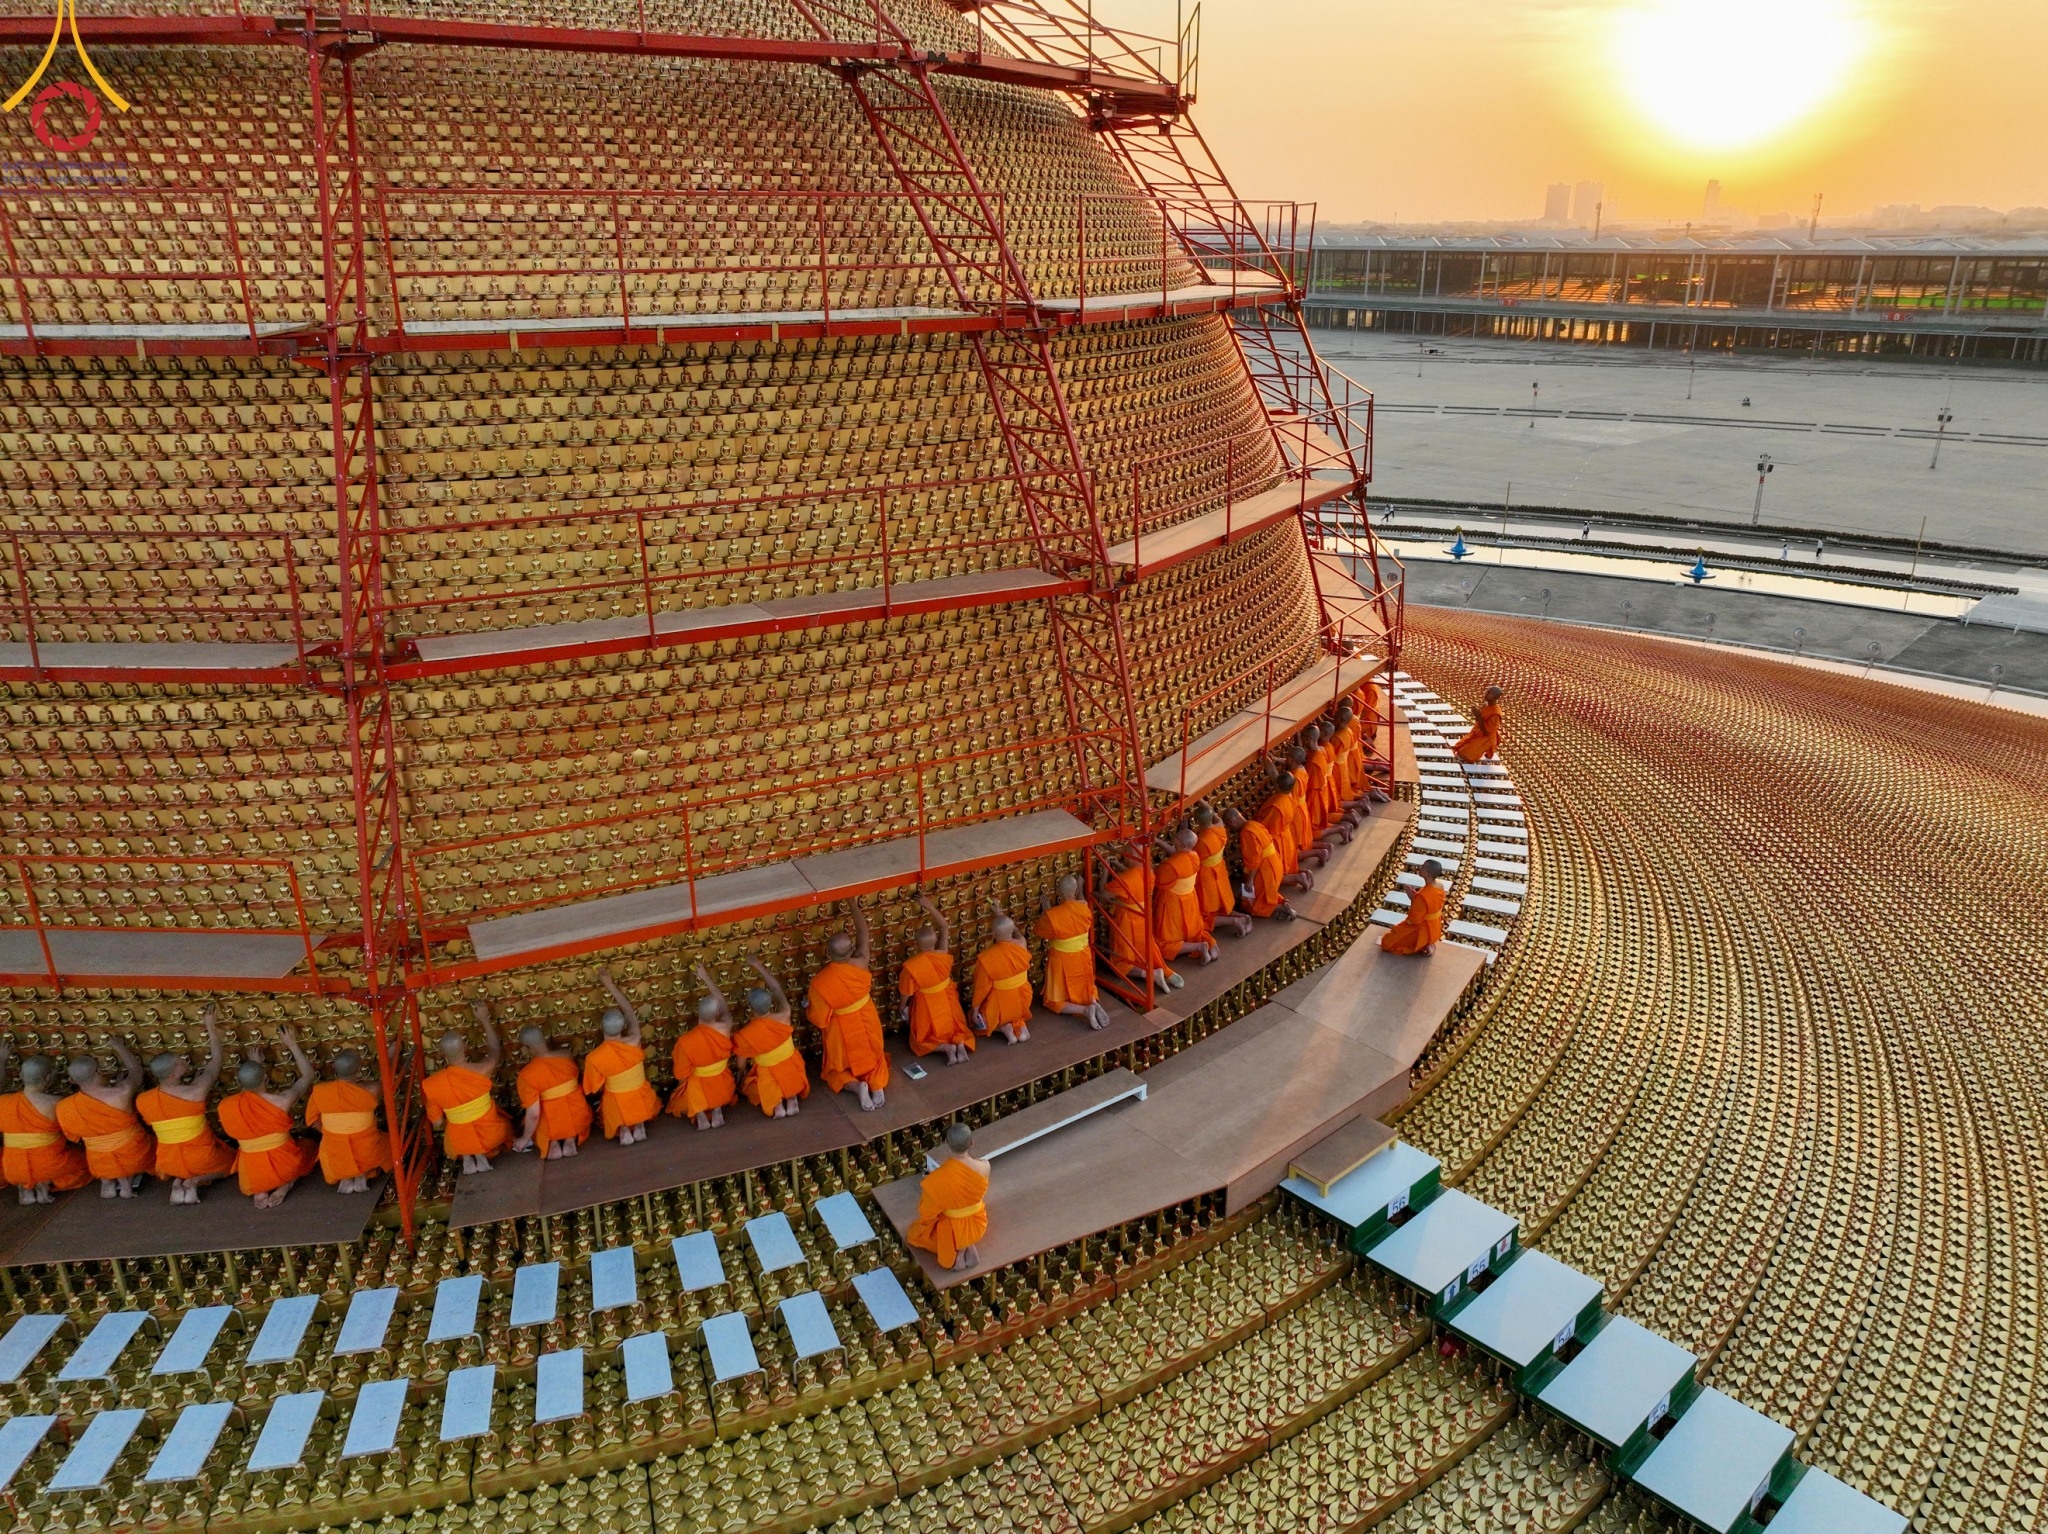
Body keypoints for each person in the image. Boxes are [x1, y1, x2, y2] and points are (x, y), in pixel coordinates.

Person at [135, 1004, 235, 1205]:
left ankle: (178, 1180)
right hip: (202, 1157)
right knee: (232, 1163)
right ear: (173, 1074)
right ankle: (195, 1181)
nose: (185, 1063)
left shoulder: (143, 1100)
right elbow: (216, 1061)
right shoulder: (195, 1091)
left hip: (167, 1162)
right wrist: (210, 1026)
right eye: (181, 1063)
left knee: (180, 1161)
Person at [216, 1027, 319, 1209]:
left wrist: (255, 1064)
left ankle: (260, 1189)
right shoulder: (281, 1101)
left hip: (252, 1171)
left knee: (251, 1157)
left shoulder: (226, 1105)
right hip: (285, 1164)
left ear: (239, 1082)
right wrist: (292, 1044)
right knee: (308, 1146)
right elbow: (308, 1075)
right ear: (265, 1077)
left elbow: (247, 1092)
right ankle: (285, 1184)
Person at [810, 901, 890, 1111]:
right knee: (874, 1056)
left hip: (839, 1028)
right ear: (852, 949)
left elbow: (818, 1018)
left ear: (828, 954)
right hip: (866, 1016)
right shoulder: (861, 961)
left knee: (835, 1071)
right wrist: (852, 902)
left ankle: (857, 1087)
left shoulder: (820, 982)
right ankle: (876, 1084)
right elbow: (863, 930)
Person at [54, 1036, 150, 1199]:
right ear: (99, 1071)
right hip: (133, 1154)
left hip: (97, 1161)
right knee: (144, 1145)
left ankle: (107, 1183)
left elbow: (73, 1136)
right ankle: (126, 1184)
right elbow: (136, 1072)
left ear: (71, 1080)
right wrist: (118, 1046)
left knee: (102, 1151)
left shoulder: (64, 1106)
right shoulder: (120, 1092)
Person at [424, 1004, 511, 1174]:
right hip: (491, 1135)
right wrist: (485, 1019)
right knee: (505, 1126)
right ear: (466, 1048)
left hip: (456, 1144)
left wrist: (459, 1114)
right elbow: (495, 1050)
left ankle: (468, 1157)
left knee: (458, 1130)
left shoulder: (432, 1085)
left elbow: (437, 1122)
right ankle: (480, 1154)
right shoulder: (483, 1070)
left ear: (442, 1054)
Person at [0, 1044, 88, 1204]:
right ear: (48, 1078)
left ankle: (27, 1186)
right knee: (90, 1163)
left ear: (20, 1075)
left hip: (12, 1170)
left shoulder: (3, 1102)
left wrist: (2, 1059)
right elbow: (75, 1135)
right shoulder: (56, 1103)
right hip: (50, 1167)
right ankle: (45, 1183)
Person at [583, 968, 661, 1146]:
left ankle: (624, 1127)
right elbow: (629, 1011)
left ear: (601, 1028)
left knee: (610, 1097)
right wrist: (610, 985)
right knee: (637, 1091)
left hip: (617, 1102)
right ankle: (639, 1123)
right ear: (624, 1025)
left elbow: (593, 1087)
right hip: (642, 1099)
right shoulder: (635, 1039)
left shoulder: (595, 1057)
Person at [305, 1047, 393, 1193]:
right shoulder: (371, 1089)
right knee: (388, 1142)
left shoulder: (320, 1091)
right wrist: (389, 1057)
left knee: (331, 1145)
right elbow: (386, 1077)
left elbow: (313, 1119)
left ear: (333, 1068)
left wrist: (328, 1134)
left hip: (334, 1155)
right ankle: (362, 1175)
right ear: (359, 1070)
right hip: (367, 1153)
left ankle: (345, 1176)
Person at [900, 894, 975, 1064]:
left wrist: (902, 1007)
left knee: (920, 1041)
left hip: (926, 1005)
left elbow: (905, 993)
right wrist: (929, 906)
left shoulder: (912, 966)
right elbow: (944, 926)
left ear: (917, 945)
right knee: (956, 1028)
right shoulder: (943, 955)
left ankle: (946, 1048)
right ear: (935, 940)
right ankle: (960, 1043)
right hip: (948, 999)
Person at [905, 1122, 989, 1273]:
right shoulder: (985, 1166)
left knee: (915, 1233)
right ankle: (968, 1245)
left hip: (952, 1229)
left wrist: (929, 1182)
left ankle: (960, 1252)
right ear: (972, 1143)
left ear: (946, 1143)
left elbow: (926, 1211)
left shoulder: (938, 1176)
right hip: (978, 1222)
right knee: (962, 1212)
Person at [735, 956, 809, 1118]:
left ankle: (777, 1106)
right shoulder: (785, 1014)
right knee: (787, 1075)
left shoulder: (745, 1034)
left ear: (750, 1008)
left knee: (749, 1087)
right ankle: (792, 1097)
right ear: (771, 1003)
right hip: (792, 1066)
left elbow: (741, 1063)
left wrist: (742, 1072)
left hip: (768, 1073)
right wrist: (758, 966)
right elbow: (776, 988)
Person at [508, 1011, 590, 1159]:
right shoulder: (566, 1055)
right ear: (545, 1040)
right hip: (578, 1115)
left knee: (541, 1119)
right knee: (568, 1112)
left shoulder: (527, 1075)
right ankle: (570, 1139)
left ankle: (553, 1144)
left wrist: (524, 1139)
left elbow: (533, 1114)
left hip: (552, 1123)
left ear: (526, 1048)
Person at [668, 963, 737, 1130]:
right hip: (723, 1083)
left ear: (698, 1014)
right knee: (716, 1086)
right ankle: (717, 1109)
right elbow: (723, 1004)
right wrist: (705, 976)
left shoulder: (686, 1041)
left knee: (684, 1093)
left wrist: (680, 1087)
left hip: (699, 1086)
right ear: (717, 1014)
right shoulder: (726, 1025)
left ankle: (699, 1112)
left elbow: (681, 1074)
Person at [1034, 876, 1108, 1030]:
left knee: (1052, 1001)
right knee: (1086, 986)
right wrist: (1080, 886)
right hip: (1083, 956)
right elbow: (1081, 902)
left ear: (1058, 893)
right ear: (1074, 891)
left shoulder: (1052, 915)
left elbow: (1039, 931)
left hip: (1062, 960)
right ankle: (1093, 1002)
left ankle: (1085, 1010)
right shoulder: (1084, 908)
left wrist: (1046, 910)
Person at [1100, 845, 1177, 993]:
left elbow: (1104, 893)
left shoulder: (1127, 878)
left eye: (1126, 854)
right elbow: (1134, 878)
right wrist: (1117, 865)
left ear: (1131, 855)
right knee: (1143, 951)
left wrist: (1105, 870)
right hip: (1142, 918)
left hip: (1126, 921)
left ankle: (1151, 974)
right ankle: (1162, 972)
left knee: (1121, 962)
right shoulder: (1149, 872)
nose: (1124, 857)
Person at [970, 901, 1034, 1045]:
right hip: (1024, 1000)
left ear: (993, 934)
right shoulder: (1021, 943)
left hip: (1000, 1003)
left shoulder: (987, 957)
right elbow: (1016, 932)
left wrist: (975, 1010)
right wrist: (999, 912)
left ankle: (1005, 1028)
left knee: (977, 1022)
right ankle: (1020, 1026)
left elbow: (981, 988)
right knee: (1015, 1014)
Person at [1153, 826, 1217, 967]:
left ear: (1180, 844)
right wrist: (1158, 841)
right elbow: (1177, 856)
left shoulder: (1169, 866)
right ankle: (1211, 947)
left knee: (1164, 942)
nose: (1173, 838)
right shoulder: (1194, 856)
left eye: (1175, 838)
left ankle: (1198, 947)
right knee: (1193, 932)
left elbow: (1157, 881)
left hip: (1172, 903)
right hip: (1189, 900)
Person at [1225, 805, 1298, 921]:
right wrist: (1228, 859)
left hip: (1265, 869)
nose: (1231, 829)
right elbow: (1247, 850)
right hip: (1274, 861)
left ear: (1231, 821)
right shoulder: (1254, 824)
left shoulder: (1246, 833)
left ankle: (1280, 908)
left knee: (1254, 907)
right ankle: (1283, 903)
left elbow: (1254, 859)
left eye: (1229, 826)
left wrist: (1250, 881)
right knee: (1266, 894)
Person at [1191, 804, 1252, 938]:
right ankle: (1243, 917)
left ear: (1196, 822)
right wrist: (1201, 801)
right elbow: (1214, 815)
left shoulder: (1202, 841)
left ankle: (1234, 921)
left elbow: (1190, 857)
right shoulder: (1220, 828)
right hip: (1219, 869)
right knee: (1220, 903)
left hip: (1206, 875)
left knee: (1205, 912)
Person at [1380, 859, 1448, 956]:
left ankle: (1423, 945)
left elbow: (1414, 920)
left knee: (1386, 943)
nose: (1420, 868)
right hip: (1435, 927)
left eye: (1423, 867)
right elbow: (1431, 905)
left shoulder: (1423, 896)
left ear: (1427, 874)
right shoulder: (1439, 884)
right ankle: (1428, 942)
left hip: (1422, 930)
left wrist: (1413, 899)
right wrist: (1416, 898)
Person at [1452, 686, 1504, 764]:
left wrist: (1478, 716)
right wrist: (1477, 716)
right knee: (1458, 747)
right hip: (1477, 733)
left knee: (1463, 754)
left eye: (1489, 693)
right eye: (1487, 691)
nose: (1486, 694)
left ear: (1495, 697)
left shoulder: (1496, 713)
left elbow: (1487, 731)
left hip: (1486, 738)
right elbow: (1479, 721)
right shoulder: (1486, 705)